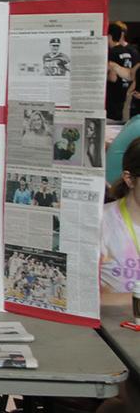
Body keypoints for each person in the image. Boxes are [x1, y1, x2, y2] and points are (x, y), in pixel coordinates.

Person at [99, 136, 140, 413]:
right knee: (125, 401)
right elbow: (90, 301)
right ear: (130, 178)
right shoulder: (102, 222)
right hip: (114, 339)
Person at [107, 23, 138, 121]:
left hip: (114, 96)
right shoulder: (129, 51)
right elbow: (131, 75)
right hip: (125, 95)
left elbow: (113, 78)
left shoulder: (112, 53)